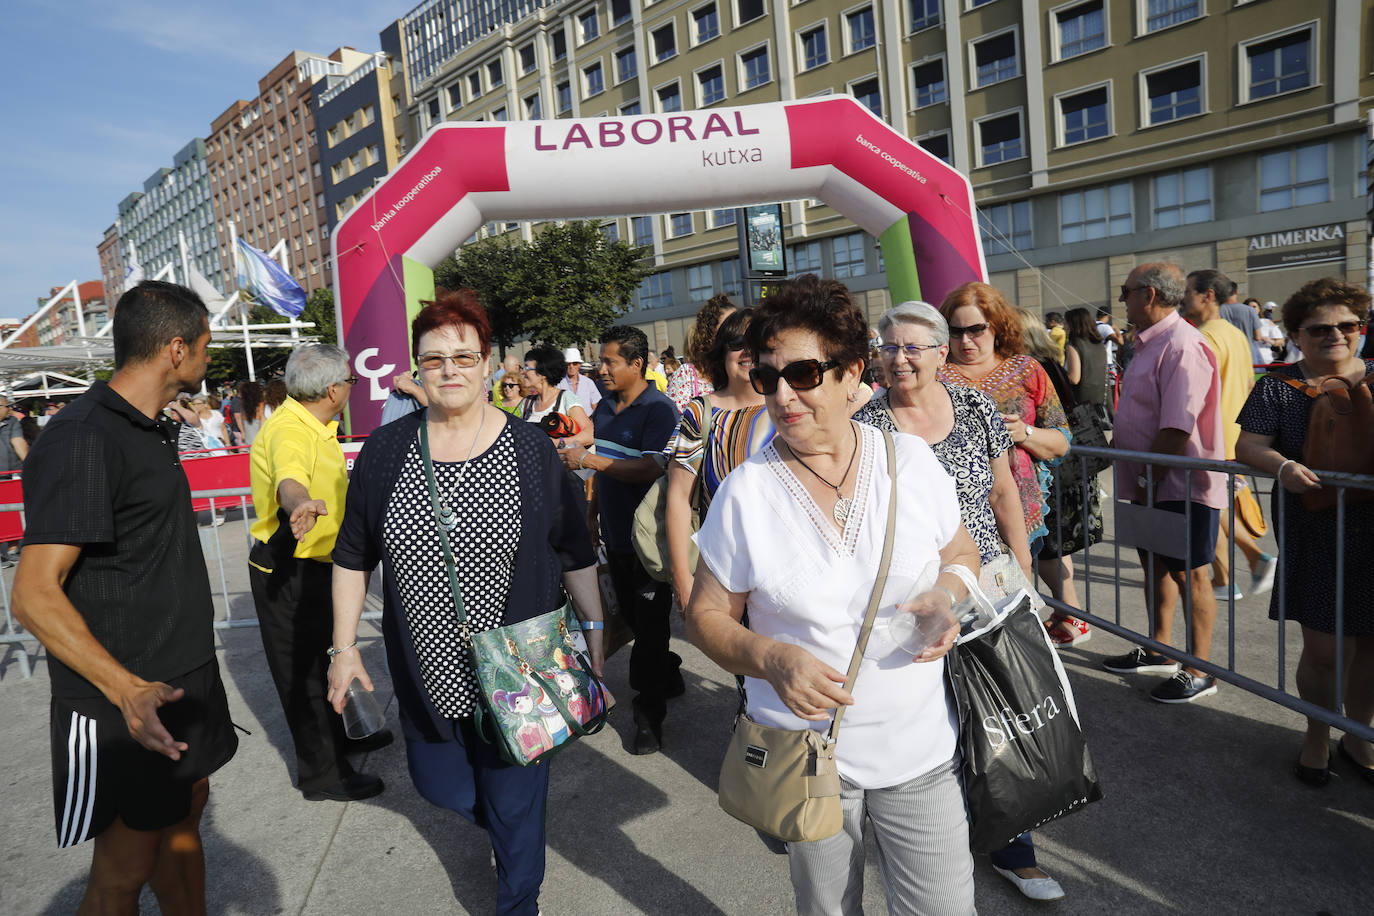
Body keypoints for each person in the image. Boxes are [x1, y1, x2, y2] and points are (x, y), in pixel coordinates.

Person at [686, 275, 981, 914]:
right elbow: (705, 614)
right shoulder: (747, 494)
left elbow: (961, 553)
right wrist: (769, 659)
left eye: (804, 373)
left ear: (853, 375)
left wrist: (947, 594)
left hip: (920, 751)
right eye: (768, 377)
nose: (784, 395)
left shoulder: (912, 463)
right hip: (809, 760)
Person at [328, 289, 605, 915]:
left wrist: (594, 628)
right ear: (417, 370)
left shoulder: (529, 449)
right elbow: (351, 556)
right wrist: (343, 650)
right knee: (441, 786)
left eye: (463, 355)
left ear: (488, 365)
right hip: (428, 670)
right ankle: (509, 831)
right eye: (434, 359)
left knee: (514, 799)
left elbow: (573, 547)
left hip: (519, 669)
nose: (449, 369)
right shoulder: (388, 450)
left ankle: (518, 898)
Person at [12, 280, 238, 913]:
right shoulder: (83, 436)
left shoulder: (149, 427)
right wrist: (125, 689)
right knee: (125, 863)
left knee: (186, 814)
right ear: (174, 350)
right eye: (203, 346)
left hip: (181, 676)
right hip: (121, 699)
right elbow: (32, 595)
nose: (207, 359)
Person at [1235, 277, 1374, 786]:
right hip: (1316, 532)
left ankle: (1359, 735)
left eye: (1347, 326)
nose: (1334, 335)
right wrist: (1282, 467)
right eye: (1319, 329)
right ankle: (1317, 735)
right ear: (1296, 333)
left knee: (1370, 645)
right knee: (1324, 651)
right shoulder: (1277, 385)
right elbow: (1247, 446)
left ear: (1360, 329)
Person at [248, 344, 390, 802]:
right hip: (291, 566)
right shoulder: (291, 430)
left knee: (333, 656)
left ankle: (349, 734)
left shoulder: (315, 425)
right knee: (304, 674)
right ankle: (322, 773)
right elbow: (291, 480)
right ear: (333, 390)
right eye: (349, 380)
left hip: (321, 565)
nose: (351, 387)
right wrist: (299, 503)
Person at [1103, 263, 1226, 704]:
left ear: (1149, 295)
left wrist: (1149, 480)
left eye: (1126, 291)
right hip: (1150, 483)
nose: (1122, 300)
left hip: (1177, 485)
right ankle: (1159, 647)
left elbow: (1176, 426)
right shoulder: (1151, 343)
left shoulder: (1182, 345)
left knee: (1191, 575)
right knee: (1155, 566)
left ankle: (1200, 669)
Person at [559, 326, 680, 755]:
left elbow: (650, 470)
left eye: (610, 362)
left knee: (647, 631)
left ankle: (649, 715)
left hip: (650, 544)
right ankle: (668, 670)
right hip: (614, 537)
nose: (602, 369)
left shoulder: (660, 410)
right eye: (601, 361)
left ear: (637, 364)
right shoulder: (607, 407)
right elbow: (606, 472)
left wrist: (587, 458)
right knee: (632, 618)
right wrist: (593, 513)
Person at [938, 282, 1070, 567]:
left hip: (1020, 505)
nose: (966, 341)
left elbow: (1062, 442)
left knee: (1016, 588)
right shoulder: (936, 375)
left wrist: (1025, 433)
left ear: (997, 326)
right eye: (956, 331)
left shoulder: (1027, 369)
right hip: (956, 513)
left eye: (976, 330)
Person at [665, 308, 776, 611]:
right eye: (737, 342)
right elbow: (678, 498)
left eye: (757, 342)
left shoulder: (788, 403)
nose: (747, 351)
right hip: (724, 572)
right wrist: (682, 578)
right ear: (722, 353)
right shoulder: (701, 412)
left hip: (787, 566)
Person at [1183, 270, 1277, 600]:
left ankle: (1252, 562)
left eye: (1188, 291)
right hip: (1232, 436)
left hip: (1211, 439)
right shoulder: (1235, 335)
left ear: (1207, 295)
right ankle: (1227, 579)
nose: (1183, 297)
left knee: (1213, 509)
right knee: (1215, 508)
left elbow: (1193, 397)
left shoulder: (1204, 337)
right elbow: (1250, 384)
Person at [1015, 308, 1101, 652]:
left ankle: (1073, 616)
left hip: (1053, 469)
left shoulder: (1031, 367)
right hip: (1067, 465)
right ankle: (1067, 612)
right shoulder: (1051, 359)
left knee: (1051, 548)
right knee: (1056, 547)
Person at [666, 294, 735, 410]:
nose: (736, 333)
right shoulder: (687, 375)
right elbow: (676, 423)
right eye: (727, 328)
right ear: (709, 335)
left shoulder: (749, 371)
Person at [520, 344, 594, 449]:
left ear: (542, 373)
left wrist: (559, 443)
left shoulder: (566, 398)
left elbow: (590, 434)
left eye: (527, 367)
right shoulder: (527, 403)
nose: (522, 371)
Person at [1066, 307, 1111, 422]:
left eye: (1066, 323)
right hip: (1104, 401)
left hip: (1084, 403)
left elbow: (1074, 378)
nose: (1064, 327)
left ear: (1073, 324)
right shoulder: (1098, 343)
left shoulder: (1074, 344)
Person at [0, 394, 29, 566]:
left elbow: (19, 443)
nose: (10, 409)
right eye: (6, 406)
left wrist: (30, 464)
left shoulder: (11, 422)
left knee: (12, 513)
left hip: (9, 475)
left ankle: (12, 549)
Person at [558, 346, 602, 414]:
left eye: (575, 363)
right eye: (568, 364)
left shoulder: (588, 383)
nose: (571, 366)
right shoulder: (558, 384)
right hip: (566, 422)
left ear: (579, 365)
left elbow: (596, 405)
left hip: (588, 421)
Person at [237, 380, 267, 445]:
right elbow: (263, 422)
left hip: (249, 442)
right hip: (260, 442)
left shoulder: (244, 408)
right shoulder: (261, 406)